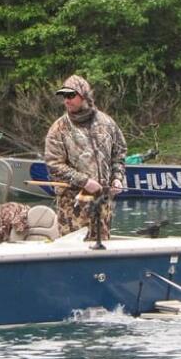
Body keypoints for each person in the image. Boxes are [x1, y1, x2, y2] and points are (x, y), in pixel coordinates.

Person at [43, 75, 127, 238]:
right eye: (64, 96)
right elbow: (53, 165)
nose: (66, 100)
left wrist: (117, 178)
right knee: (72, 253)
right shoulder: (59, 128)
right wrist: (85, 182)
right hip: (73, 206)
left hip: (102, 205)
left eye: (71, 95)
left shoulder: (107, 123)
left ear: (84, 96)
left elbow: (119, 154)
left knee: (101, 252)